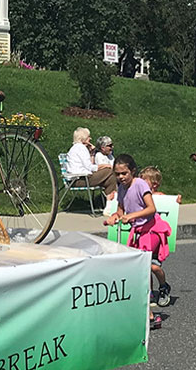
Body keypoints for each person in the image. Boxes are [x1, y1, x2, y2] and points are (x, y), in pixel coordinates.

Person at [104, 154, 171, 330]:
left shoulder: (140, 184)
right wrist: (114, 216)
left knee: (143, 267)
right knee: (139, 268)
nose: (121, 177)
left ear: (132, 171)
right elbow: (120, 210)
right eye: (117, 174)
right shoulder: (121, 188)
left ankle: (149, 312)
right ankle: (146, 309)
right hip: (138, 231)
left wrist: (132, 216)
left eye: (124, 173)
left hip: (151, 229)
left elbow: (151, 208)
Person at [66, 127, 117, 197]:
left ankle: (111, 200)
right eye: (88, 137)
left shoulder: (76, 148)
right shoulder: (81, 148)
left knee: (111, 180)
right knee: (110, 170)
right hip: (80, 179)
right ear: (83, 138)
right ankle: (113, 201)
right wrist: (105, 166)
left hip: (79, 178)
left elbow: (89, 165)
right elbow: (90, 168)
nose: (90, 138)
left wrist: (92, 153)